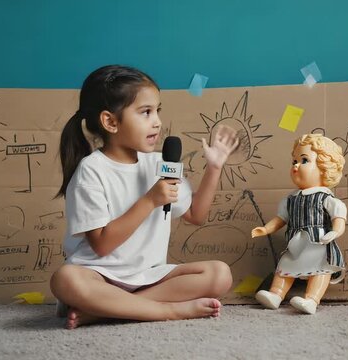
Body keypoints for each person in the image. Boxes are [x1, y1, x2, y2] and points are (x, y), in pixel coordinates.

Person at [50, 65, 239, 329]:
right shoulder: (92, 170)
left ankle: (106, 311)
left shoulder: (160, 163)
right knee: (65, 280)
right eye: (146, 112)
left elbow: (196, 215)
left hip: (148, 276)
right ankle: (167, 311)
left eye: (157, 111)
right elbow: (102, 245)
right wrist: (149, 200)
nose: (157, 122)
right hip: (99, 276)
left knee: (219, 274)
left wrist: (215, 167)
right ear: (111, 122)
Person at [251, 134, 346, 314]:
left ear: (324, 168)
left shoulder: (325, 197)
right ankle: (276, 294)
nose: (295, 165)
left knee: (321, 269)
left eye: (304, 160)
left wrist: (335, 232)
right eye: (294, 160)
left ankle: (311, 299)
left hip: (319, 243)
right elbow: (281, 219)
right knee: (285, 266)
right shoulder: (290, 199)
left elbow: (339, 218)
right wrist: (265, 228)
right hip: (296, 244)